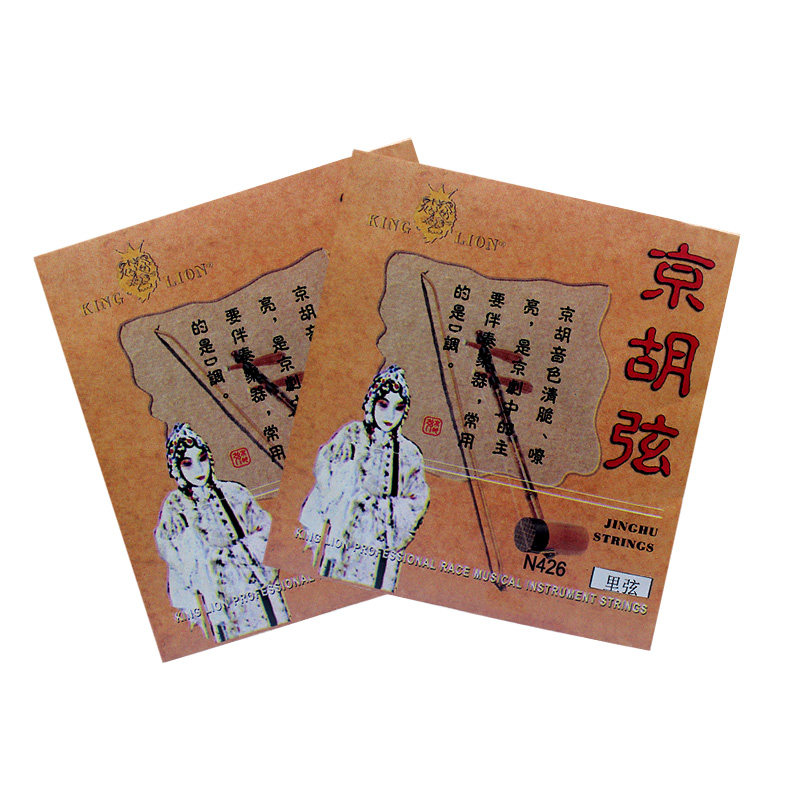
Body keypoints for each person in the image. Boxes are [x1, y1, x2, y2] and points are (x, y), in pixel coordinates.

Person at [154, 422, 289, 642]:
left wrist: (243, 552)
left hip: (255, 582)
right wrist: (213, 561)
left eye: (202, 459)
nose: (199, 470)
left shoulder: (234, 492)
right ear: (177, 468)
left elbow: (267, 531)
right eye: (187, 464)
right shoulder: (175, 507)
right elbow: (177, 556)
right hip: (221, 594)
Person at [300, 365, 429, 591]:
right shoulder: (351, 435)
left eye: (398, 408)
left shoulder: (409, 454)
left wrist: (380, 508)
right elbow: (326, 475)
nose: (390, 415)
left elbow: (416, 501)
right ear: (372, 403)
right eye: (383, 405)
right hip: (346, 532)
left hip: (380, 540)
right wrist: (348, 487)